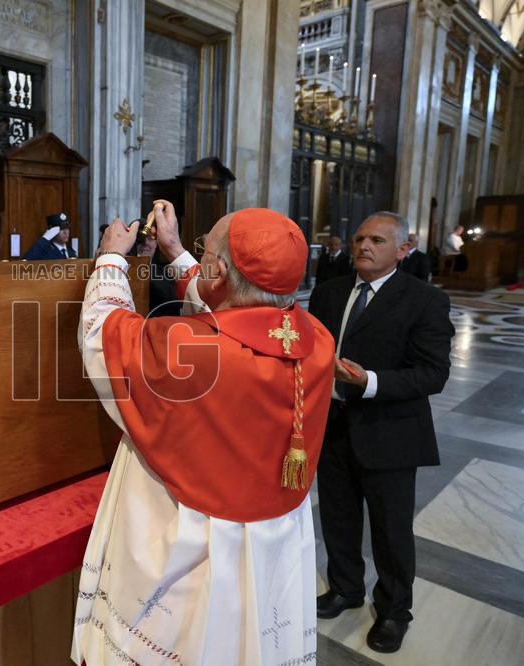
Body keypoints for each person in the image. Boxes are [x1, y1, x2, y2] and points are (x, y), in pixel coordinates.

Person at [73, 202, 335, 665]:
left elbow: (103, 333)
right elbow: (238, 302)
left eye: (206, 251)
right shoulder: (315, 339)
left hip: (192, 537)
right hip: (273, 535)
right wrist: (174, 250)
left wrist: (111, 258)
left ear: (220, 271)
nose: (202, 258)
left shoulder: (191, 352)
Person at [308, 211, 454, 654]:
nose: (363, 247)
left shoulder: (424, 299)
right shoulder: (330, 292)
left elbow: (431, 374)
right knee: (337, 516)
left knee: (390, 531)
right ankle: (346, 587)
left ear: (403, 249)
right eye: (358, 239)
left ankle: (393, 610)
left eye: (376, 240)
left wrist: (368, 381)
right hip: (333, 427)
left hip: (390, 431)